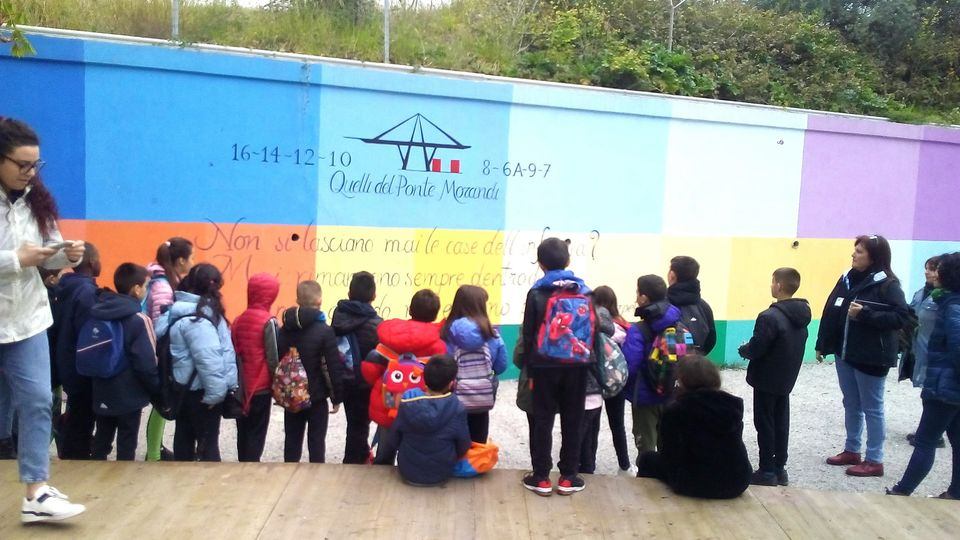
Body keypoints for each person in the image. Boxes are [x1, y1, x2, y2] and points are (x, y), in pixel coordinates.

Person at [0, 116, 87, 522]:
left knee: (38, 400)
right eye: (22, 164)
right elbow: (21, 258)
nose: (31, 172)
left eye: (36, 164)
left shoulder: (37, 201)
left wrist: (65, 254)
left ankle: (36, 492)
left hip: (27, 319)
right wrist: (15, 259)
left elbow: (46, 253)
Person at [816, 235, 911, 477]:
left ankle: (875, 460)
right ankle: (852, 450)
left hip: (872, 357)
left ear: (874, 257)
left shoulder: (888, 284)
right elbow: (830, 310)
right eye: (855, 250)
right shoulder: (847, 278)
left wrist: (866, 314)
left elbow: (902, 317)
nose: (853, 254)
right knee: (851, 403)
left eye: (859, 251)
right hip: (845, 353)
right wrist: (822, 343)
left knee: (872, 408)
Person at [521, 237, 594, 496]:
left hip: (544, 366)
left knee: (543, 419)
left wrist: (530, 368)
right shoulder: (585, 291)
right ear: (568, 260)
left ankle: (541, 477)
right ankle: (568, 476)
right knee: (573, 419)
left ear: (540, 264)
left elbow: (529, 335)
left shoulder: (536, 293)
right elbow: (592, 332)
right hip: (578, 364)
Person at [888, 252, 960, 498]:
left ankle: (902, 491)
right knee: (956, 438)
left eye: (939, 270)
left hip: (945, 386)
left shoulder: (953, 306)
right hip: (947, 383)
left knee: (926, 440)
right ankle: (956, 493)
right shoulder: (944, 300)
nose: (934, 273)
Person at [636, 354, 751, 499]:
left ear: (683, 380)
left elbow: (670, 457)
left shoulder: (677, 410)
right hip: (737, 481)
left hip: (694, 483)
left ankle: (648, 502)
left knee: (646, 459)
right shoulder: (732, 406)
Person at [156, 263, 238, 462]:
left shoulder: (176, 311)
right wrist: (216, 395)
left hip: (182, 388)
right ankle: (207, 482)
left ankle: (182, 478)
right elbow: (208, 360)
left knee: (183, 437)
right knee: (207, 445)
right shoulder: (198, 320)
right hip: (201, 392)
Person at [737, 268, 811, 487]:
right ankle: (780, 468)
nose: (771, 285)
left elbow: (758, 347)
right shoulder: (802, 315)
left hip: (766, 378)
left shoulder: (769, 317)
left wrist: (744, 350)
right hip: (786, 378)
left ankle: (767, 470)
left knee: (765, 423)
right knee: (781, 422)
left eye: (772, 282)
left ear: (779, 286)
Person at [362, 289, 446, 465]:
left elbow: (370, 368)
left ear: (410, 309)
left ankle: (382, 469)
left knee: (385, 452)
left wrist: (380, 384)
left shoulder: (390, 336)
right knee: (415, 449)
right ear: (435, 315)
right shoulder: (438, 344)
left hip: (389, 403)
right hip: (420, 405)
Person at [88, 263, 161, 461]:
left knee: (102, 439)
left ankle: (92, 474)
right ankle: (124, 477)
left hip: (101, 387)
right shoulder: (138, 319)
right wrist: (156, 388)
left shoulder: (98, 313)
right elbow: (146, 363)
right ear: (136, 289)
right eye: (145, 286)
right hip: (130, 394)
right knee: (127, 444)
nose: (145, 290)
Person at [278, 280, 344, 463]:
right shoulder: (324, 331)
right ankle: (316, 476)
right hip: (316, 397)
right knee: (316, 443)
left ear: (297, 300)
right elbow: (332, 366)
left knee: (292, 441)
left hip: (292, 395)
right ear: (320, 301)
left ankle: (288, 474)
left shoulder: (285, 328)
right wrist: (336, 397)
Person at [143, 237, 194, 462]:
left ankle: (155, 449)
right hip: (158, 352)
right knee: (162, 405)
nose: (192, 262)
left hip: (157, 350)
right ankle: (153, 454)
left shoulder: (158, 279)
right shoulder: (163, 287)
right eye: (191, 258)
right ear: (181, 260)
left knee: (162, 404)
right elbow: (160, 326)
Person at [439, 284, 507, 443]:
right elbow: (501, 366)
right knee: (478, 439)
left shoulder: (446, 333)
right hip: (481, 397)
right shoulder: (492, 334)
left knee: (452, 440)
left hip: (451, 396)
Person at [51, 242, 101, 460]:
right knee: (82, 417)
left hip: (65, 359)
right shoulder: (87, 292)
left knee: (76, 412)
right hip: (80, 366)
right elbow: (89, 333)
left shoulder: (66, 288)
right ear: (92, 262)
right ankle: (75, 458)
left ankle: (71, 448)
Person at [623, 275, 681, 457]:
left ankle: (647, 473)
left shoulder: (638, 330)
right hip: (673, 394)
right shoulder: (678, 323)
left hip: (645, 396)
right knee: (670, 447)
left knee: (646, 449)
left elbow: (630, 366)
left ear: (644, 298)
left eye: (637, 293)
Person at [392, 354, 471, 486]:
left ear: (424, 378)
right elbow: (463, 445)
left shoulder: (407, 403)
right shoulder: (457, 408)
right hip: (442, 472)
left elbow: (394, 438)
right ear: (451, 383)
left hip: (408, 471)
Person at [330, 271, 382, 464]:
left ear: (349, 293)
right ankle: (352, 462)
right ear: (374, 295)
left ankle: (361, 453)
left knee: (354, 422)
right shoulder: (377, 324)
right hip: (365, 381)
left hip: (344, 378)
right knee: (360, 424)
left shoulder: (338, 317)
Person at [231, 272, 280, 462]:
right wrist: (277, 385)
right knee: (257, 431)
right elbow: (273, 357)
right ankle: (251, 467)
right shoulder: (269, 321)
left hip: (241, 387)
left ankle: (243, 462)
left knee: (242, 430)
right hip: (261, 387)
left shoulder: (238, 319)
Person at [905, 256, 945, 448]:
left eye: (932, 269)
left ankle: (934, 434)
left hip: (934, 351)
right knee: (926, 391)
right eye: (926, 268)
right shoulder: (921, 293)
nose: (927, 272)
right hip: (919, 350)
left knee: (935, 393)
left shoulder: (945, 297)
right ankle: (929, 430)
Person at [591, 285, 631, 472]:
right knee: (618, 425)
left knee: (592, 425)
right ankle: (624, 464)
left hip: (595, 380)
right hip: (616, 381)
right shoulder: (624, 326)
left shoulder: (593, 326)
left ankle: (589, 464)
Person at [667, 256, 717, 354]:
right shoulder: (704, 306)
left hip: (665, 361)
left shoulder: (662, 305)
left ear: (672, 275)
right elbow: (711, 339)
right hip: (696, 361)